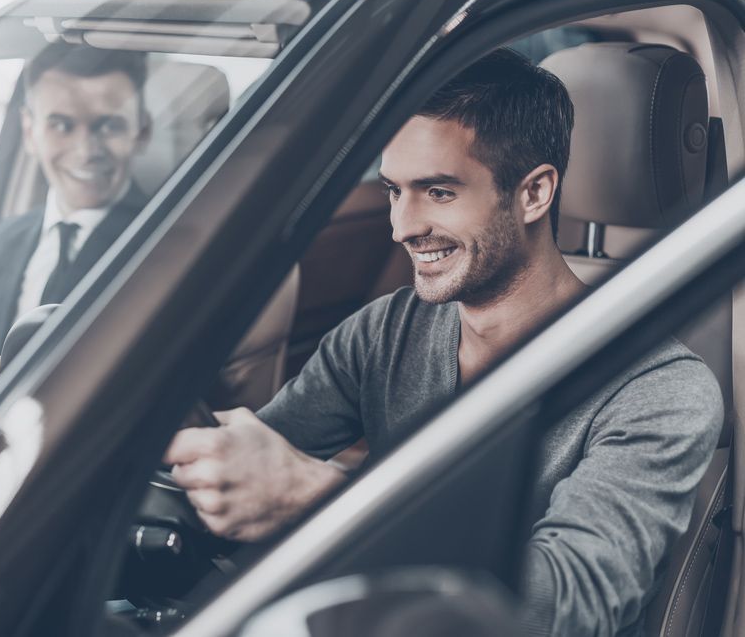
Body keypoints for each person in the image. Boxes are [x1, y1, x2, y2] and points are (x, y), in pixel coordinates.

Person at [163, 49, 724, 635]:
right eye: (393, 191)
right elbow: (258, 463)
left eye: (438, 191)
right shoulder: (383, 331)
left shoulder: (660, 390)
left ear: (534, 193)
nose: (401, 226)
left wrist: (317, 500)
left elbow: (567, 605)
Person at [0, 43, 152, 357]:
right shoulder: (2, 239)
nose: (87, 152)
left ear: (142, 131)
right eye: (62, 126)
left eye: (109, 125)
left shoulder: (164, 247)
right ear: (29, 132)